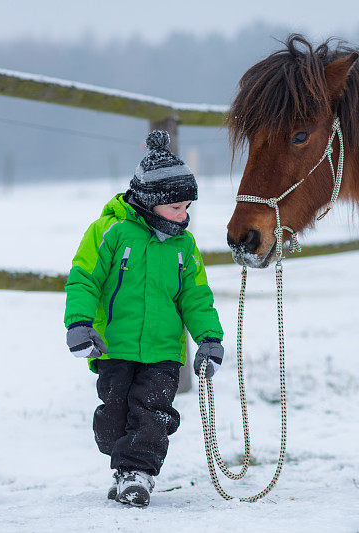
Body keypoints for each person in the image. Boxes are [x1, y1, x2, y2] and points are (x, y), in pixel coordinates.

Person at [63, 130, 224, 507]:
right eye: (176, 208)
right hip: (114, 347)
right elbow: (84, 278)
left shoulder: (184, 246)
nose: (183, 216)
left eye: (187, 208)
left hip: (163, 351)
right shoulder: (109, 232)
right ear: (150, 202)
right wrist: (79, 324)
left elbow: (196, 296)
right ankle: (124, 468)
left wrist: (209, 340)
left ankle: (139, 473)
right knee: (113, 417)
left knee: (151, 412)